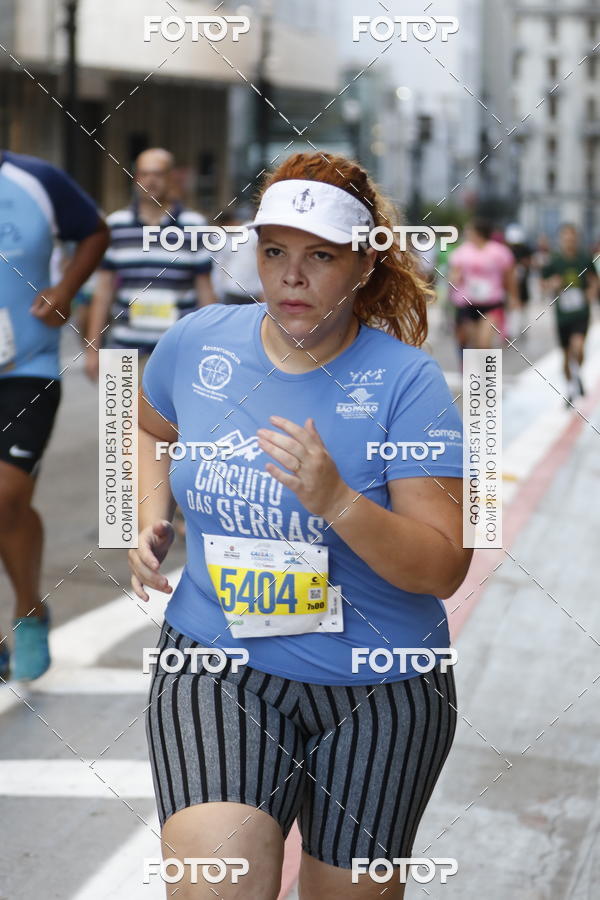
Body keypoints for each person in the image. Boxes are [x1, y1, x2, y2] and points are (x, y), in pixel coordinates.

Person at [129, 152, 472, 899]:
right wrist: (146, 517)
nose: (291, 275)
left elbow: (445, 566)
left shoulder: (409, 383)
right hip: (218, 660)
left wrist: (338, 500)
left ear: (362, 269)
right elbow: (147, 425)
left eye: (321, 256)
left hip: (381, 687)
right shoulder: (200, 341)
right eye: (275, 251)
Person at [0, 150, 108, 681]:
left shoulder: (35, 178)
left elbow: (94, 230)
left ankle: (27, 611)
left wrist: (66, 290)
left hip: (27, 366)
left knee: (5, 496)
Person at [84, 148, 217, 381]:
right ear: (136, 179)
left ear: (171, 178)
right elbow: (103, 292)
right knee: (116, 418)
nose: (151, 180)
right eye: (144, 174)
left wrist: (214, 346)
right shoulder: (115, 225)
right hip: (122, 352)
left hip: (178, 353)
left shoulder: (194, 226)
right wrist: (92, 349)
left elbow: (206, 293)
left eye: (158, 174)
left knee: (173, 419)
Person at [542, 224, 599, 405]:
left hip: (581, 312)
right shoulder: (554, 261)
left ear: (577, 239)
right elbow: (542, 284)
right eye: (565, 237)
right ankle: (571, 385)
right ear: (560, 239)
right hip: (563, 314)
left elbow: (594, 280)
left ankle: (577, 373)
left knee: (579, 348)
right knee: (566, 355)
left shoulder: (584, 259)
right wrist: (551, 283)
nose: (569, 241)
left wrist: (591, 292)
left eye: (572, 237)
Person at [448, 218, 519, 358]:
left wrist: (513, 297)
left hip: (492, 303)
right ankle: (474, 377)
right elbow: (455, 272)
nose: (466, 234)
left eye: (469, 230)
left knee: (484, 344)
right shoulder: (462, 251)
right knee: (473, 345)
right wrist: (454, 279)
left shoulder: (499, 251)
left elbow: (509, 276)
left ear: (478, 232)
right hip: (467, 303)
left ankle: (487, 379)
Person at [211, 207, 264, 305]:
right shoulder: (221, 240)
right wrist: (217, 291)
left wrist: (262, 289)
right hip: (231, 291)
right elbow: (219, 266)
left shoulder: (251, 232)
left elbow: (263, 259)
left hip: (253, 292)